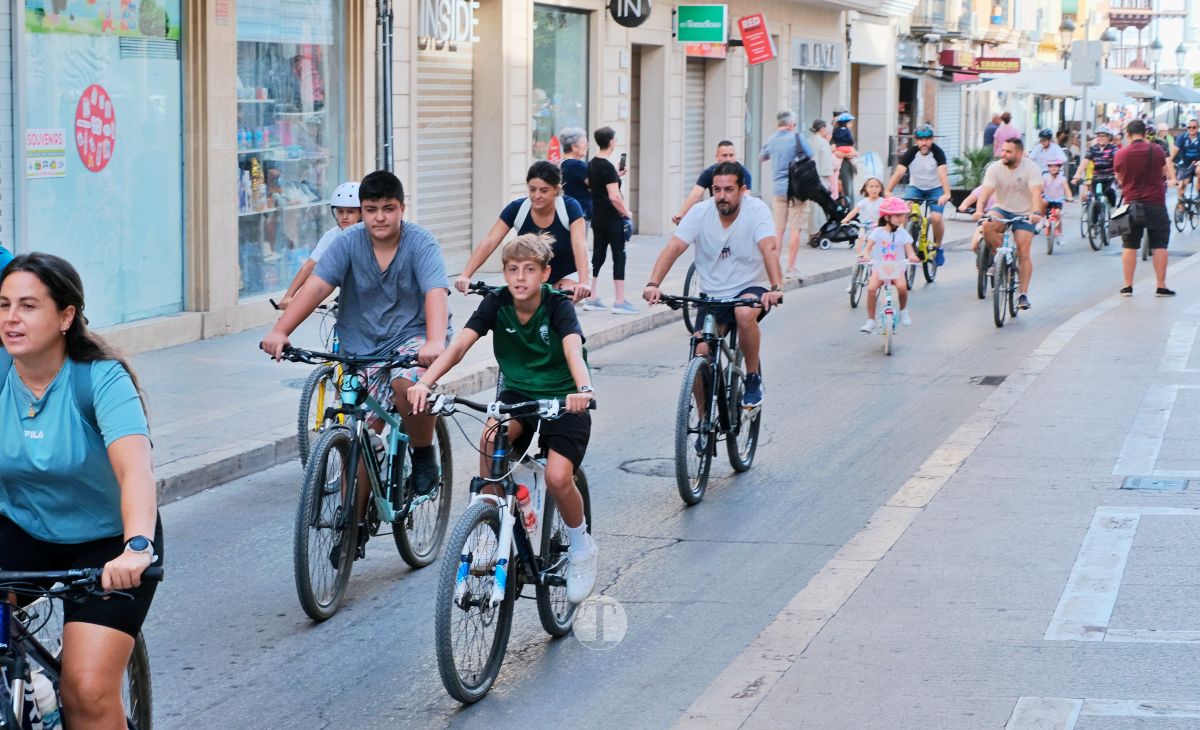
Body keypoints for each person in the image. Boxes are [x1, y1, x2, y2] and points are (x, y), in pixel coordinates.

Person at [0, 252, 162, 728]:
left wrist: (137, 547)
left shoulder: (100, 380)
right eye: (4, 304)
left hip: (108, 543)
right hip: (22, 528)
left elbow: (135, 470)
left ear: (66, 316)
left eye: (28, 305)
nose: (11, 318)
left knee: (87, 692)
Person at [407, 233, 599, 603]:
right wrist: (426, 383)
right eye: (512, 269)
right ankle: (490, 528)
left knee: (558, 477)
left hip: (564, 397)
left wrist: (584, 389)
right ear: (505, 273)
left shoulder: (557, 305)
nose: (520, 277)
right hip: (519, 395)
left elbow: (573, 349)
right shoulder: (496, 302)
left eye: (529, 269)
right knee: (491, 438)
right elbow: (459, 346)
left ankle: (581, 547)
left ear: (545, 274)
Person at [260, 170, 450, 496]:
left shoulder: (421, 243)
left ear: (402, 208)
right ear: (363, 211)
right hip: (361, 345)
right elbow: (317, 287)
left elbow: (435, 292)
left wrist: (434, 341)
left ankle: (422, 453)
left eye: (388, 208)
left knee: (407, 384)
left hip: (414, 337)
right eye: (371, 209)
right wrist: (280, 330)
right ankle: (351, 526)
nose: (380, 217)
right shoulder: (347, 243)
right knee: (357, 437)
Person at [642, 162, 783, 408]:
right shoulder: (700, 213)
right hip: (713, 294)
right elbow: (674, 247)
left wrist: (776, 287)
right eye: (716, 190)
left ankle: (752, 378)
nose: (721, 196)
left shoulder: (757, 210)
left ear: (742, 190)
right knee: (700, 352)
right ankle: (703, 423)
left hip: (751, 286)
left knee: (743, 313)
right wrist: (653, 284)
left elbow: (769, 248)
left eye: (728, 190)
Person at [455, 161, 591, 302]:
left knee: (559, 301)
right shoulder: (517, 209)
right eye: (532, 189)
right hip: (531, 274)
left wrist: (583, 282)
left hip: (570, 272)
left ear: (556, 189)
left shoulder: (569, 208)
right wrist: (466, 275)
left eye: (544, 190)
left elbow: (579, 245)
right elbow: (489, 242)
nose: (536, 195)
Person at [962, 137, 1044, 310]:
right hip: (1002, 208)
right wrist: (979, 210)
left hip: (1025, 212)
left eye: (1008, 151)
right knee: (987, 225)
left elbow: (1036, 193)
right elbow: (985, 193)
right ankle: (1000, 258)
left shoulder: (1032, 168)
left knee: (1023, 252)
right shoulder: (994, 168)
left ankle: (1023, 295)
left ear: (1019, 153)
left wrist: (1036, 213)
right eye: (1003, 150)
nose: (1003, 154)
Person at [1115, 119, 1177, 297]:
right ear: (1144, 134)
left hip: (1131, 204)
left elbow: (1119, 177)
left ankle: (1128, 286)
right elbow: (1164, 171)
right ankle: (1161, 286)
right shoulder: (1157, 150)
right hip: (1155, 203)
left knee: (1129, 246)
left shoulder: (1121, 153)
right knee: (1160, 245)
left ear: (1128, 134)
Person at [277, 181, 362, 310]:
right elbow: (309, 266)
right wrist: (289, 296)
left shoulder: (369, 236)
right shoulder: (332, 235)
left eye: (351, 212)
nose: (344, 216)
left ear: (361, 213)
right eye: (340, 211)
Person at [583, 127, 636, 314]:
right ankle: (620, 301)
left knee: (598, 256)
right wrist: (626, 213)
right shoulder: (607, 166)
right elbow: (614, 196)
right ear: (612, 142)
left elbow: (596, 185)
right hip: (613, 219)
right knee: (619, 256)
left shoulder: (592, 163)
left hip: (598, 217)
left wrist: (617, 175)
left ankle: (591, 297)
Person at [760, 110, 815, 278]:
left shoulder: (771, 140)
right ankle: (791, 268)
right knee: (795, 229)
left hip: (778, 190)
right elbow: (810, 155)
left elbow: (762, 157)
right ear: (791, 124)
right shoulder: (797, 138)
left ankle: (774, 268)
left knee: (778, 231)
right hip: (797, 190)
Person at [884, 124, 952, 251]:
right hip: (916, 188)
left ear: (932, 140)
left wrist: (946, 194)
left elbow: (943, 173)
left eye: (927, 139)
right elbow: (899, 172)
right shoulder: (911, 153)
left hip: (935, 189)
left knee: (936, 217)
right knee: (905, 211)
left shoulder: (938, 153)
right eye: (921, 140)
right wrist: (888, 191)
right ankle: (903, 244)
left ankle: (938, 247)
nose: (924, 143)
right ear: (916, 141)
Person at [858, 197, 920, 332]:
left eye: (902, 215)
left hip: (897, 266)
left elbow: (909, 250)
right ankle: (870, 321)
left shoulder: (903, 233)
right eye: (897, 216)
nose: (901, 218)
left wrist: (912, 257)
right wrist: (866, 255)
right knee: (871, 289)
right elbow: (868, 248)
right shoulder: (877, 232)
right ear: (887, 217)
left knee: (902, 287)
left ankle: (904, 311)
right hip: (879, 266)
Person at [673, 141, 754, 224]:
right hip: (716, 215)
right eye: (724, 155)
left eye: (731, 155)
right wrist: (681, 214)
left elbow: (745, 199)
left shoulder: (744, 174)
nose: (728, 159)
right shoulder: (709, 173)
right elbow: (695, 195)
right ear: (717, 156)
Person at [842, 176, 885, 292]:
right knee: (860, 253)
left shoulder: (882, 202)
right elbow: (854, 211)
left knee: (875, 255)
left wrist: (883, 223)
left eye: (876, 187)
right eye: (871, 187)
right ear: (866, 189)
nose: (874, 189)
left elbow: (886, 214)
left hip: (877, 230)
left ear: (880, 189)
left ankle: (874, 275)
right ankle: (854, 280)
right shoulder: (864, 202)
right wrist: (846, 219)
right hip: (864, 228)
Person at [1073, 129, 1119, 227]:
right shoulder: (1093, 148)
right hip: (1096, 178)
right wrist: (1077, 174)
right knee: (1094, 199)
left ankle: (1113, 210)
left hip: (1109, 177)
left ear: (1108, 138)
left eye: (1103, 136)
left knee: (1110, 191)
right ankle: (1094, 223)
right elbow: (1085, 162)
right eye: (1099, 136)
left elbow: (1117, 160)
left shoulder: (1113, 148)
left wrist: (1117, 174)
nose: (1101, 138)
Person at [558, 127, 592, 220]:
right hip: (581, 213)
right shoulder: (577, 165)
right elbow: (597, 185)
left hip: (568, 211)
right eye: (585, 143)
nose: (587, 146)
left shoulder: (563, 163)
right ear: (574, 147)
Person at [1042, 157, 1073, 237]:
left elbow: (1067, 189)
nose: (1053, 168)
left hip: (1058, 200)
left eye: (1056, 166)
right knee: (1043, 204)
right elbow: (1041, 187)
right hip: (1048, 199)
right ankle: (1042, 219)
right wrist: (1039, 193)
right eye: (1051, 166)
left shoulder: (1062, 179)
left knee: (1058, 214)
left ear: (1059, 168)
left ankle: (1059, 232)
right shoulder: (1045, 177)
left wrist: (1070, 197)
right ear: (1048, 168)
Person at [831, 112, 859, 201]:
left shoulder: (834, 132)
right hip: (845, 164)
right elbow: (851, 142)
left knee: (843, 189)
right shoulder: (847, 131)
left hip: (838, 162)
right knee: (847, 189)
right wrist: (849, 153)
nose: (851, 125)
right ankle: (848, 206)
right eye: (850, 123)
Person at [1174, 119, 1200, 197]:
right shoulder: (1181, 137)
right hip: (1185, 164)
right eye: (1189, 127)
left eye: (1194, 127)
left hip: (1197, 163)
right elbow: (1174, 152)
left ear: (1198, 127)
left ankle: (1199, 194)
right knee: (1181, 187)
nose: (1191, 129)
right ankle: (1181, 203)